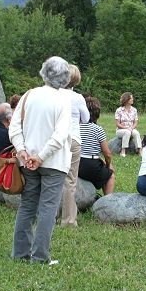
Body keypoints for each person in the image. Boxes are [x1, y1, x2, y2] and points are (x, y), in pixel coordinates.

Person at [10, 56, 71, 265]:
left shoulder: (28, 95)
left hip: (28, 161)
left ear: (43, 72)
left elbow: (14, 127)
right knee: (48, 209)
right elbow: (61, 135)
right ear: (65, 78)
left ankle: (20, 253)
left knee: (27, 206)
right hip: (54, 162)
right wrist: (41, 156)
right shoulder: (64, 100)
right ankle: (40, 256)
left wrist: (23, 151)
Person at [60, 65, 90, 227]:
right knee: (70, 180)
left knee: (52, 178)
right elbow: (85, 118)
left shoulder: (53, 95)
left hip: (54, 140)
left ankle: (48, 215)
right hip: (72, 138)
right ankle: (68, 220)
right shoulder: (77, 98)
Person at [79, 96, 115, 196]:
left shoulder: (75, 127)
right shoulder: (97, 129)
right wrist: (108, 166)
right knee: (110, 175)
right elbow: (107, 154)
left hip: (75, 163)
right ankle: (107, 200)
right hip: (90, 165)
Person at [115, 92, 142, 157]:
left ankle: (139, 150)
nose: (133, 99)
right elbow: (117, 124)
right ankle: (123, 150)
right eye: (131, 98)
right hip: (121, 130)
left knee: (136, 133)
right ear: (126, 100)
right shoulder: (119, 110)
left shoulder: (134, 110)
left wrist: (132, 128)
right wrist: (126, 128)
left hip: (131, 128)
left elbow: (135, 122)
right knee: (127, 132)